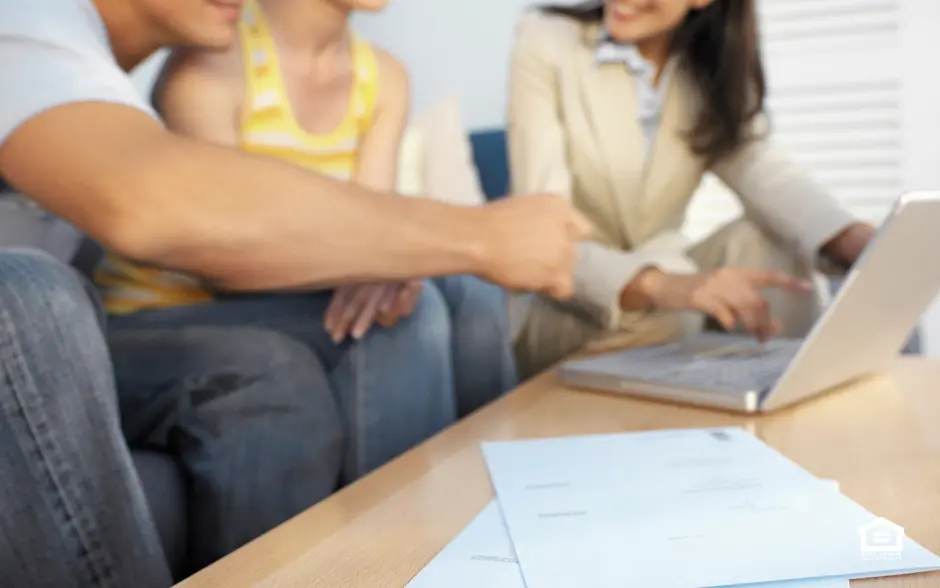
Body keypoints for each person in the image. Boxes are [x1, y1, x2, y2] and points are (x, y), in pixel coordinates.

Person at [0, 0, 589, 585]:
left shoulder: (92, 76)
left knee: (431, 307)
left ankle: (467, 553)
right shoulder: (26, 22)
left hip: (97, 329)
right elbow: (158, 208)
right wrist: (477, 235)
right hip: (119, 315)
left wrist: (398, 254)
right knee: (38, 296)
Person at [94, 0, 519, 469]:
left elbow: (373, 231)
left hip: (291, 295)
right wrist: (377, 259)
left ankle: (502, 502)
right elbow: (223, 257)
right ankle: (389, 536)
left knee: (471, 291)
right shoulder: (213, 61)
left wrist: (386, 260)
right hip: (172, 309)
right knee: (403, 322)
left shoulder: (384, 78)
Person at [506, 0, 878, 378]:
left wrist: (852, 237)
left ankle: (789, 393)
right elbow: (543, 233)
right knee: (674, 281)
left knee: (768, 241)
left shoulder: (711, 66)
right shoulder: (545, 39)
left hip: (664, 301)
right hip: (564, 301)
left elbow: (758, 166)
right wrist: (657, 283)